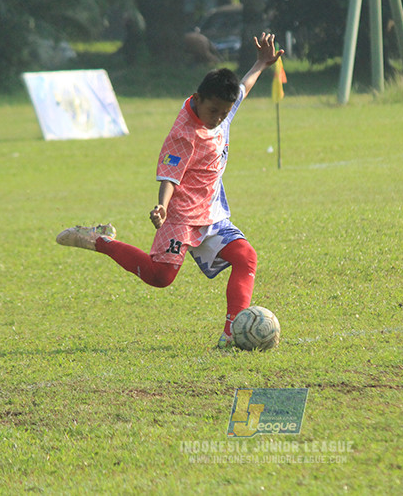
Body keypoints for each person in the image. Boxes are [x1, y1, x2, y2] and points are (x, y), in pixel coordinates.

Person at [56, 32, 284, 349]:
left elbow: (242, 88)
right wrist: (162, 206)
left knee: (245, 257)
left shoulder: (221, 111)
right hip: (179, 217)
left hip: (211, 213)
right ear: (198, 99)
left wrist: (260, 62)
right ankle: (101, 241)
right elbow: (169, 175)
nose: (218, 118)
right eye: (213, 111)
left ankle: (231, 334)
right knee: (159, 277)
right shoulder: (183, 133)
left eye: (223, 112)